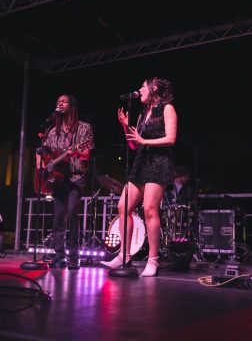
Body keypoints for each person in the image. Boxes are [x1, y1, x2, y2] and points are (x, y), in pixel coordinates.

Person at [100, 77, 178, 276]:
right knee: (123, 207)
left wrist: (144, 140)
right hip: (141, 163)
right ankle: (124, 255)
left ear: (153, 88)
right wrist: (126, 127)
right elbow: (135, 145)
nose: (139, 90)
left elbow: (171, 138)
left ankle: (153, 260)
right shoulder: (143, 115)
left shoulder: (167, 109)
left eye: (142, 86)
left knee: (151, 210)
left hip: (158, 163)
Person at [36, 94, 94, 269]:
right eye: (58, 101)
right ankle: (59, 255)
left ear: (72, 106)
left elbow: (87, 154)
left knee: (71, 213)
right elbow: (43, 150)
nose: (59, 103)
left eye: (63, 101)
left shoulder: (84, 128)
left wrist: (75, 153)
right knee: (58, 217)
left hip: (76, 177)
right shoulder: (53, 131)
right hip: (58, 178)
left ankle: (74, 258)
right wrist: (41, 164)